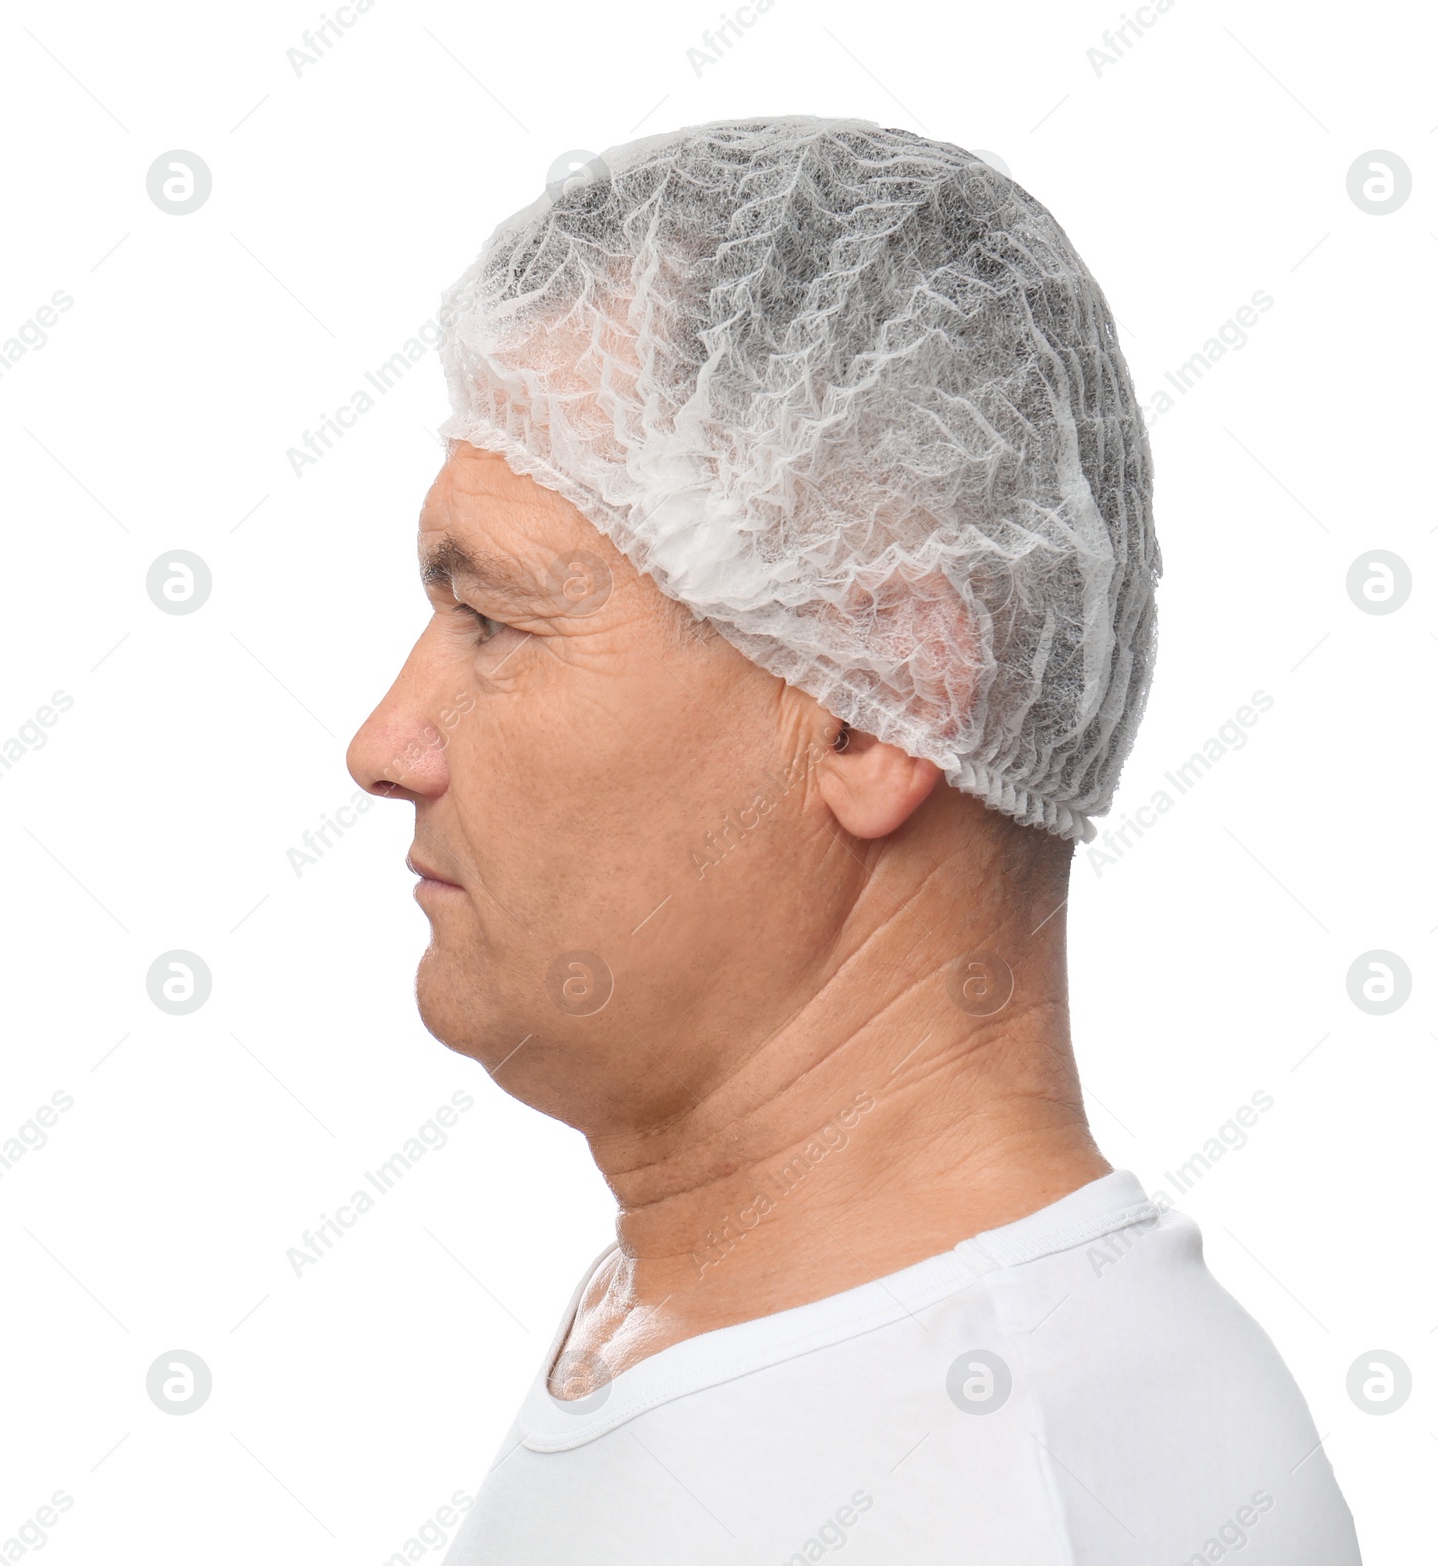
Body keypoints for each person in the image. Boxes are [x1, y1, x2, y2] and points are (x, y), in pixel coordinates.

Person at [346, 116, 1360, 1564]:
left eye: (495, 619)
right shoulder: (764, 1341)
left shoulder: (997, 1483)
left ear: (871, 709)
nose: (386, 743)